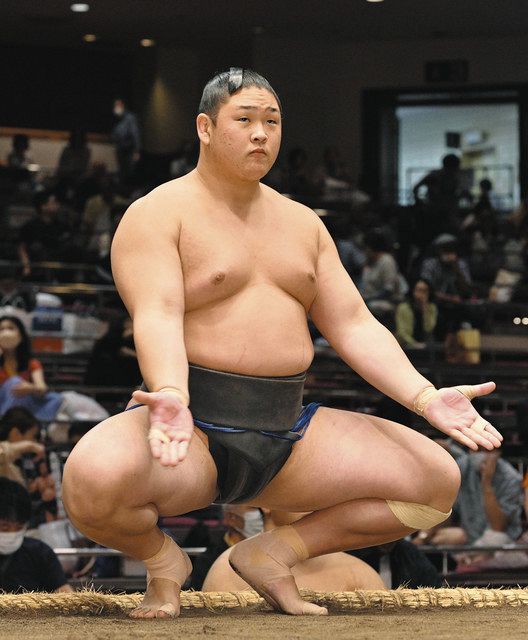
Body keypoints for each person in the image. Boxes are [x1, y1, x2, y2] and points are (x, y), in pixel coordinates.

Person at [62, 68, 501, 620]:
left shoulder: (303, 223)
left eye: (271, 122)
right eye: (244, 119)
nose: (260, 134)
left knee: (435, 483)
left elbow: (353, 324)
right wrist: (170, 391)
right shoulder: (157, 214)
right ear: (204, 127)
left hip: (287, 428)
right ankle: (162, 560)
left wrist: (423, 396)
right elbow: (159, 312)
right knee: (90, 480)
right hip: (193, 428)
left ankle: (273, 552)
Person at [202, 506, 386, 592]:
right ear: (267, 501)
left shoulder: (359, 575)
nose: (318, 501)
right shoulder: (229, 571)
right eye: (306, 487)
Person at [0, 477, 72, 593]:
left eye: (19, 527)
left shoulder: (40, 553)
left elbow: (65, 594)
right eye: (5, 527)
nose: (12, 533)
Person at [0, 315, 63, 422]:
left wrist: (30, 388)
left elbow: (42, 388)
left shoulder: (32, 363)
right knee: (14, 382)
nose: (6, 333)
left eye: (10, 328)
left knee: (55, 398)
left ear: (21, 335)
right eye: (1, 329)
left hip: (25, 404)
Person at [0, 407, 44, 487]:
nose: (35, 442)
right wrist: (29, 446)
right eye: (33, 436)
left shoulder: (18, 462)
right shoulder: (4, 460)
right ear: (15, 433)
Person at [395, 279, 437, 349]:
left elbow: (429, 328)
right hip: (406, 344)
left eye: (424, 291)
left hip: (425, 344)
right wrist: (414, 344)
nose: (420, 294)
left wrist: (424, 310)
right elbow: (401, 332)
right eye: (418, 290)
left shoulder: (431, 308)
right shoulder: (403, 308)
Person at [111, 98, 141, 185]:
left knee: (130, 173)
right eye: (115, 106)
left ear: (123, 106)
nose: (116, 108)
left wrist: (137, 151)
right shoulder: (117, 119)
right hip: (120, 150)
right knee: (122, 173)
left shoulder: (130, 118)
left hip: (129, 150)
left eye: (118, 105)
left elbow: (135, 134)